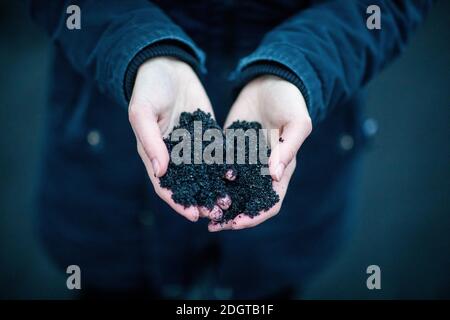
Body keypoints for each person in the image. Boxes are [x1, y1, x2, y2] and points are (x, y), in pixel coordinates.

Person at [30, 0, 432, 298]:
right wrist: (139, 48)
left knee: (263, 290)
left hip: (300, 165)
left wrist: (299, 67)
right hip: (109, 161)